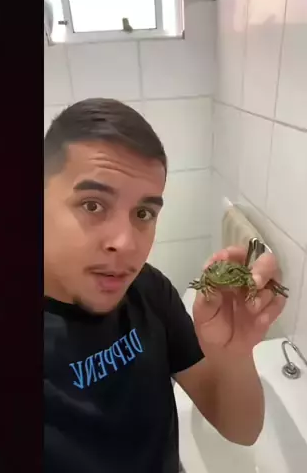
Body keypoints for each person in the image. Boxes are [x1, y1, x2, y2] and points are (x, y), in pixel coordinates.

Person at [43, 98, 287, 473]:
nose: (125, 243)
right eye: (92, 205)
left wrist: (235, 354)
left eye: (143, 213)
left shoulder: (149, 288)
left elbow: (240, 430)